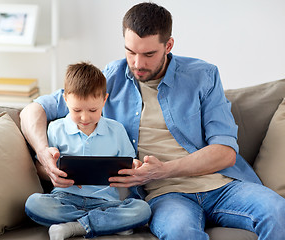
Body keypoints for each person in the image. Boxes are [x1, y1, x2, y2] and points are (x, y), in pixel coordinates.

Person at [20, 3, 285, 240]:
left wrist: (164, 170)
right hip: (166, 196)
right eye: (130, 51)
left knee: (278, 210)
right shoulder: (110, 78)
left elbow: (225, 152)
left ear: (168, 46)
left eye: (148, 54)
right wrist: (43, 153)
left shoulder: (203, 76)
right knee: (179, 231)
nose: (137, 63)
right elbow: (33, 110)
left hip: (223, 186)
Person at [24, 62, 151, 240]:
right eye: (77, 110)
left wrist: (135, 167)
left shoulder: (117, 130)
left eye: (93, 110)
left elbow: (131, 166)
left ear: (104, 100)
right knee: (33, 204)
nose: (85, 117)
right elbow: (41, 167)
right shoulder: (55, 129)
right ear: (66, 99)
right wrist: (53, 172)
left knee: (142, 210)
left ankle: (75, 227)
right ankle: (106, 224)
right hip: (65, 198)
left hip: (107, 202)